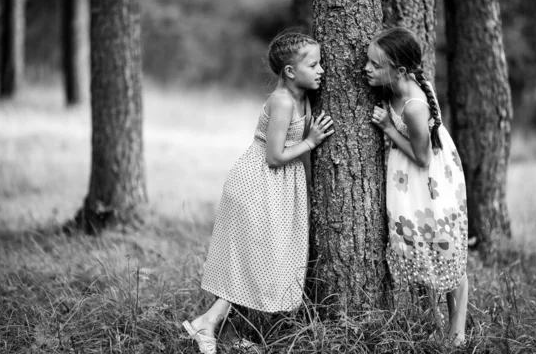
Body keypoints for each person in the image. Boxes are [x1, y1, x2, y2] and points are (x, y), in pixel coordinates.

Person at [182, 30, 334, 354]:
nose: (322, 69)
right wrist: (311, 141)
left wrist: (308, 189)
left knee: (263, 262)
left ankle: (223, 332)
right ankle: (207, 323)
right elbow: (275, 156)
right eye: (314, 64)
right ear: (291, 72)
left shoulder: (304, 95)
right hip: (257, 184)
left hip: (280, 188)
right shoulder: (281, 101)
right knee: (254, 261)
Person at [367, 27, 468, 346]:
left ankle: (458, 334)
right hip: (409, 180)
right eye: (368, 61)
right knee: (423, 248)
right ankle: (437, 322)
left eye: (374, 64)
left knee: (447, 252)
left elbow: (423, 158)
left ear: (399, 71)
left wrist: (387, 128)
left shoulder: (413, 104)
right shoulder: (395, 86)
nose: (366, 68)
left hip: (429, 182)